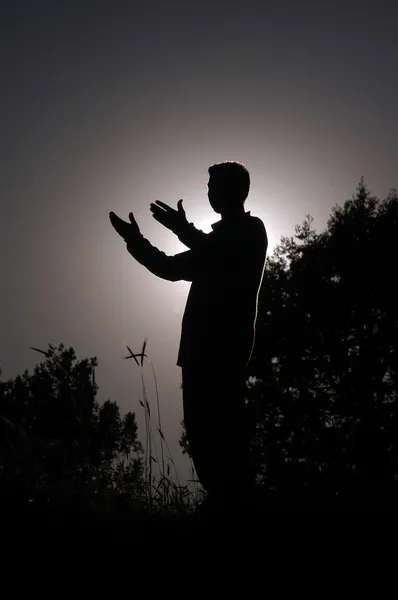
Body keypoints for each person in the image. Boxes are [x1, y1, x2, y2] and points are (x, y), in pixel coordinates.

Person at [109, 161, 268, 507]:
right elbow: (169, 267)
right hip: (197, 355)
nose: (209, 192)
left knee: (224, 439)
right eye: (208, 187)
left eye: (214, 186)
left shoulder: (250, 230)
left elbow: (217, 251)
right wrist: (135, 240)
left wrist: (182, 229)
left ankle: (236, 504)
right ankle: (223, 503)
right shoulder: (213, 244)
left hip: (223, 353)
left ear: (233, 191)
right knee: (203, 441)